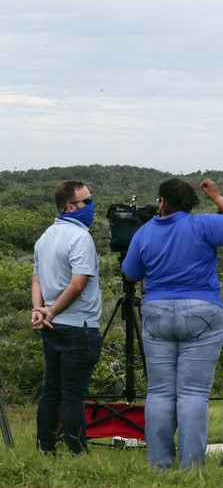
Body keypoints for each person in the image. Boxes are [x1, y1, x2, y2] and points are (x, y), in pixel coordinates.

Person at [121, 178, 223, 469]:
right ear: (190, 203)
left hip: (157, 312)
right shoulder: (202, 225)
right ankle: (191, 466)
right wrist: (217, 197)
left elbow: (130, 273)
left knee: (159, 392)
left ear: (162, 201)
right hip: (201, 311)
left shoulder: (144, 232)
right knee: (193, 393)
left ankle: (159, 465)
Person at [32, 180, 103, 454]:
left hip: (52, 325)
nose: (92, 205)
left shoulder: (46, 236)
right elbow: (77, 284)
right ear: (71, 207)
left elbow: (36, 278)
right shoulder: (80, 237)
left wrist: (39, 310)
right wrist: (49, 310)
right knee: (73, 394)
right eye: (87, 200)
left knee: (52, 391)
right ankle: (77, 450)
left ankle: (46, 448)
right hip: (78, 325)